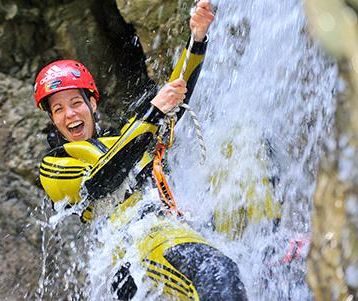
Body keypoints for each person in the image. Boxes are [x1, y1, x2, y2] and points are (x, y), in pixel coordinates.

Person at [34, 1, 248, 300]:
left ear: (92, 104)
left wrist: (196, 40)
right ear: (52, 119)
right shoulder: (55, 165)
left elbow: (174, 95)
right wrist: (153, 113)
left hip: (164, 235)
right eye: (58, 109)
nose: (69, 114)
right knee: (216, 272)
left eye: (76, 103)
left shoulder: (129, 135)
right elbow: (99, 182)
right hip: (131, 253)